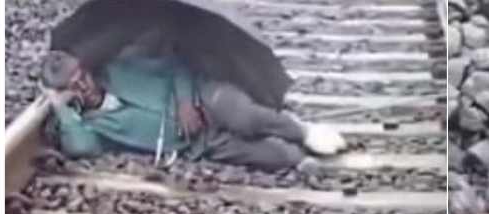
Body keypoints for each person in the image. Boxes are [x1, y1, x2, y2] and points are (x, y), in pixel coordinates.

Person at [37, 47, 346, 172]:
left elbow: (175, 65)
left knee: (244, 116)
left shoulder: (119, 69)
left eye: (83, 77)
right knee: (276, 157)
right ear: (65, 94)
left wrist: (185, 101)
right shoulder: (85, 122)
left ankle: (303, 130)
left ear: (87, 70)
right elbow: (83, 150)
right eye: (73, 87)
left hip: (204, 98)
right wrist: (59, 107)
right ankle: (299, 154)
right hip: (195, 143)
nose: (84, 87)